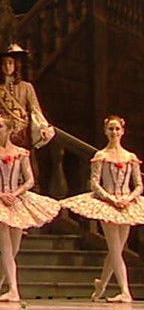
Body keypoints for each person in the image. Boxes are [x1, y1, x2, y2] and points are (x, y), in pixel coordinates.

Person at [61, 116, 144, 303]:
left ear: (123, 131)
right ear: (105, 131)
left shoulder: (130, 157)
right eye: (111, 129)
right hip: (107, 204)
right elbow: (95, 183)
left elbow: (139, 185)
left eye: (117, 129)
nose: (114, 132)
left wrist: (128, 198)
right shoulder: (101, 156)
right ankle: (125, 291)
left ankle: (101, 285)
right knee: (115, 248)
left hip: (126, 203)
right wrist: (111, 199)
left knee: (117, 249)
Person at [0, 116, 60, 302]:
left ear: (9, 130)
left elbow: (30, 180)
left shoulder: (21, 153)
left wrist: (15, 193)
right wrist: (0, 194)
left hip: (16, 200)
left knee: (14, 248)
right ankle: (13, 289)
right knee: (6, 247)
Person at [0, 44, 54, 150]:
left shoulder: (27, 87)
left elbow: (35, 110)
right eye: (4, 64)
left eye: (10, 63)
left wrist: (42, 127)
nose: (7, 66)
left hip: (23, 134)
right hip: (1, 134)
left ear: (16, 65)